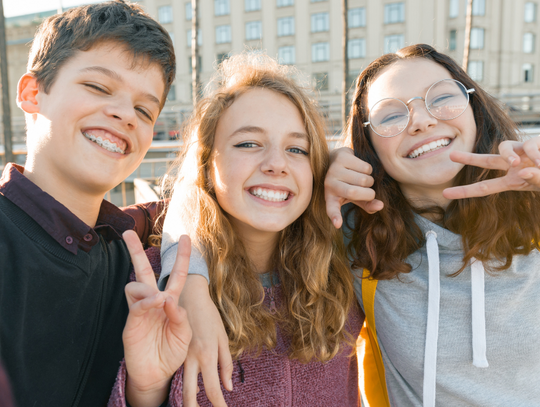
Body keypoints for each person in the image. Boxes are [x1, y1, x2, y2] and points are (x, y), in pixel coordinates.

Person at [108, 53, 362, 407]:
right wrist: (146, 390)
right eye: (248, 143)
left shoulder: (343, 268)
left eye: (296, 149)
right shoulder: (152, 286)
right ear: (207, 164)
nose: (276, 163)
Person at [325, 44, 540, 406]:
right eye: (390, 116)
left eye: (441, 97)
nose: (422, 121)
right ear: (369, 145)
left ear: (475, 109)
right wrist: (314, 174)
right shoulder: (355, 233)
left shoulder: (535, 209)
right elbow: (228, 236)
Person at [0, 2, 191, 406]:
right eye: (99, 87)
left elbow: (203, 199)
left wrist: (146, 388)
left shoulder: (127, 252)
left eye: (144, 109)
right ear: (33, 93)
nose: (124, 114)